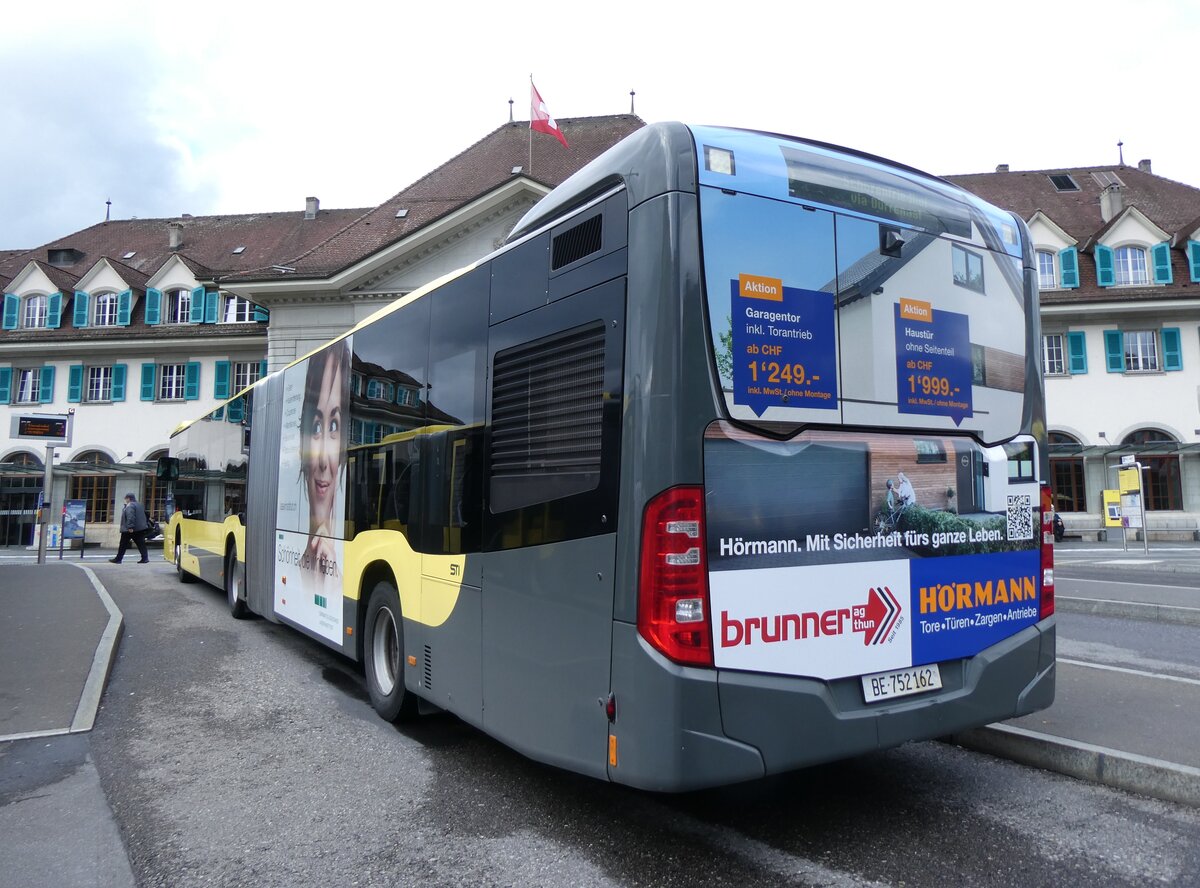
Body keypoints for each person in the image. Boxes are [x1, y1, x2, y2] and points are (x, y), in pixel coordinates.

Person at [298, 342, 349, 588]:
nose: (322, 461)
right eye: (316, 427)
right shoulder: (292, 572)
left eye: (334, 426)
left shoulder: (340, 583)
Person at [111, 493, 150, 564]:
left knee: (123, 544)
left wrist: (130, 526)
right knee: (141, 544)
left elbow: (130, 516)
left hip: (129, 529)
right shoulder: (140, 505)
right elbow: (146, 515)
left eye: (126, 498)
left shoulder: (130, 506)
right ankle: (145, 558)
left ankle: (118, 559)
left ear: (128, 498)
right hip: (140, 528)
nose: (125, 500)